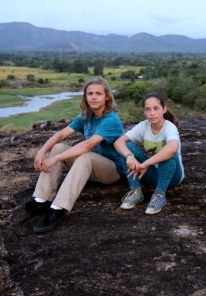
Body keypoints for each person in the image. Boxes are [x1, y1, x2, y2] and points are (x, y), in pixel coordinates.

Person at [25, 77, 125, 233]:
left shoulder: (111, 120)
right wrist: (42, 151)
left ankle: (59, 208)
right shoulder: (86, 115)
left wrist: (55, 159)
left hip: (113, 171)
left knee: (84, 155)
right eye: (90, 93)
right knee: (58, 147)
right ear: (85, 96)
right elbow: (61, 135)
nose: (93, 97)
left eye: (98, 93)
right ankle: (41, 198)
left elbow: (88, 145)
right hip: (92, 167)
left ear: (107, 97)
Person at [114, 92, 184, 214]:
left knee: (167, 152)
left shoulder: (169, 127)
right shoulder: (143, 126)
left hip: (172, 176)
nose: (152, 113)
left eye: (156, 108)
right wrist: (130, 157)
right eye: (148, 109)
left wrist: (146, 163)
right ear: (144, 112)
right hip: (150, 174)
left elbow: (172, 148)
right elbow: (119, 142)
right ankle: (136, 191)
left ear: (164, 109)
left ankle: (160, 194)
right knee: (126, 147)